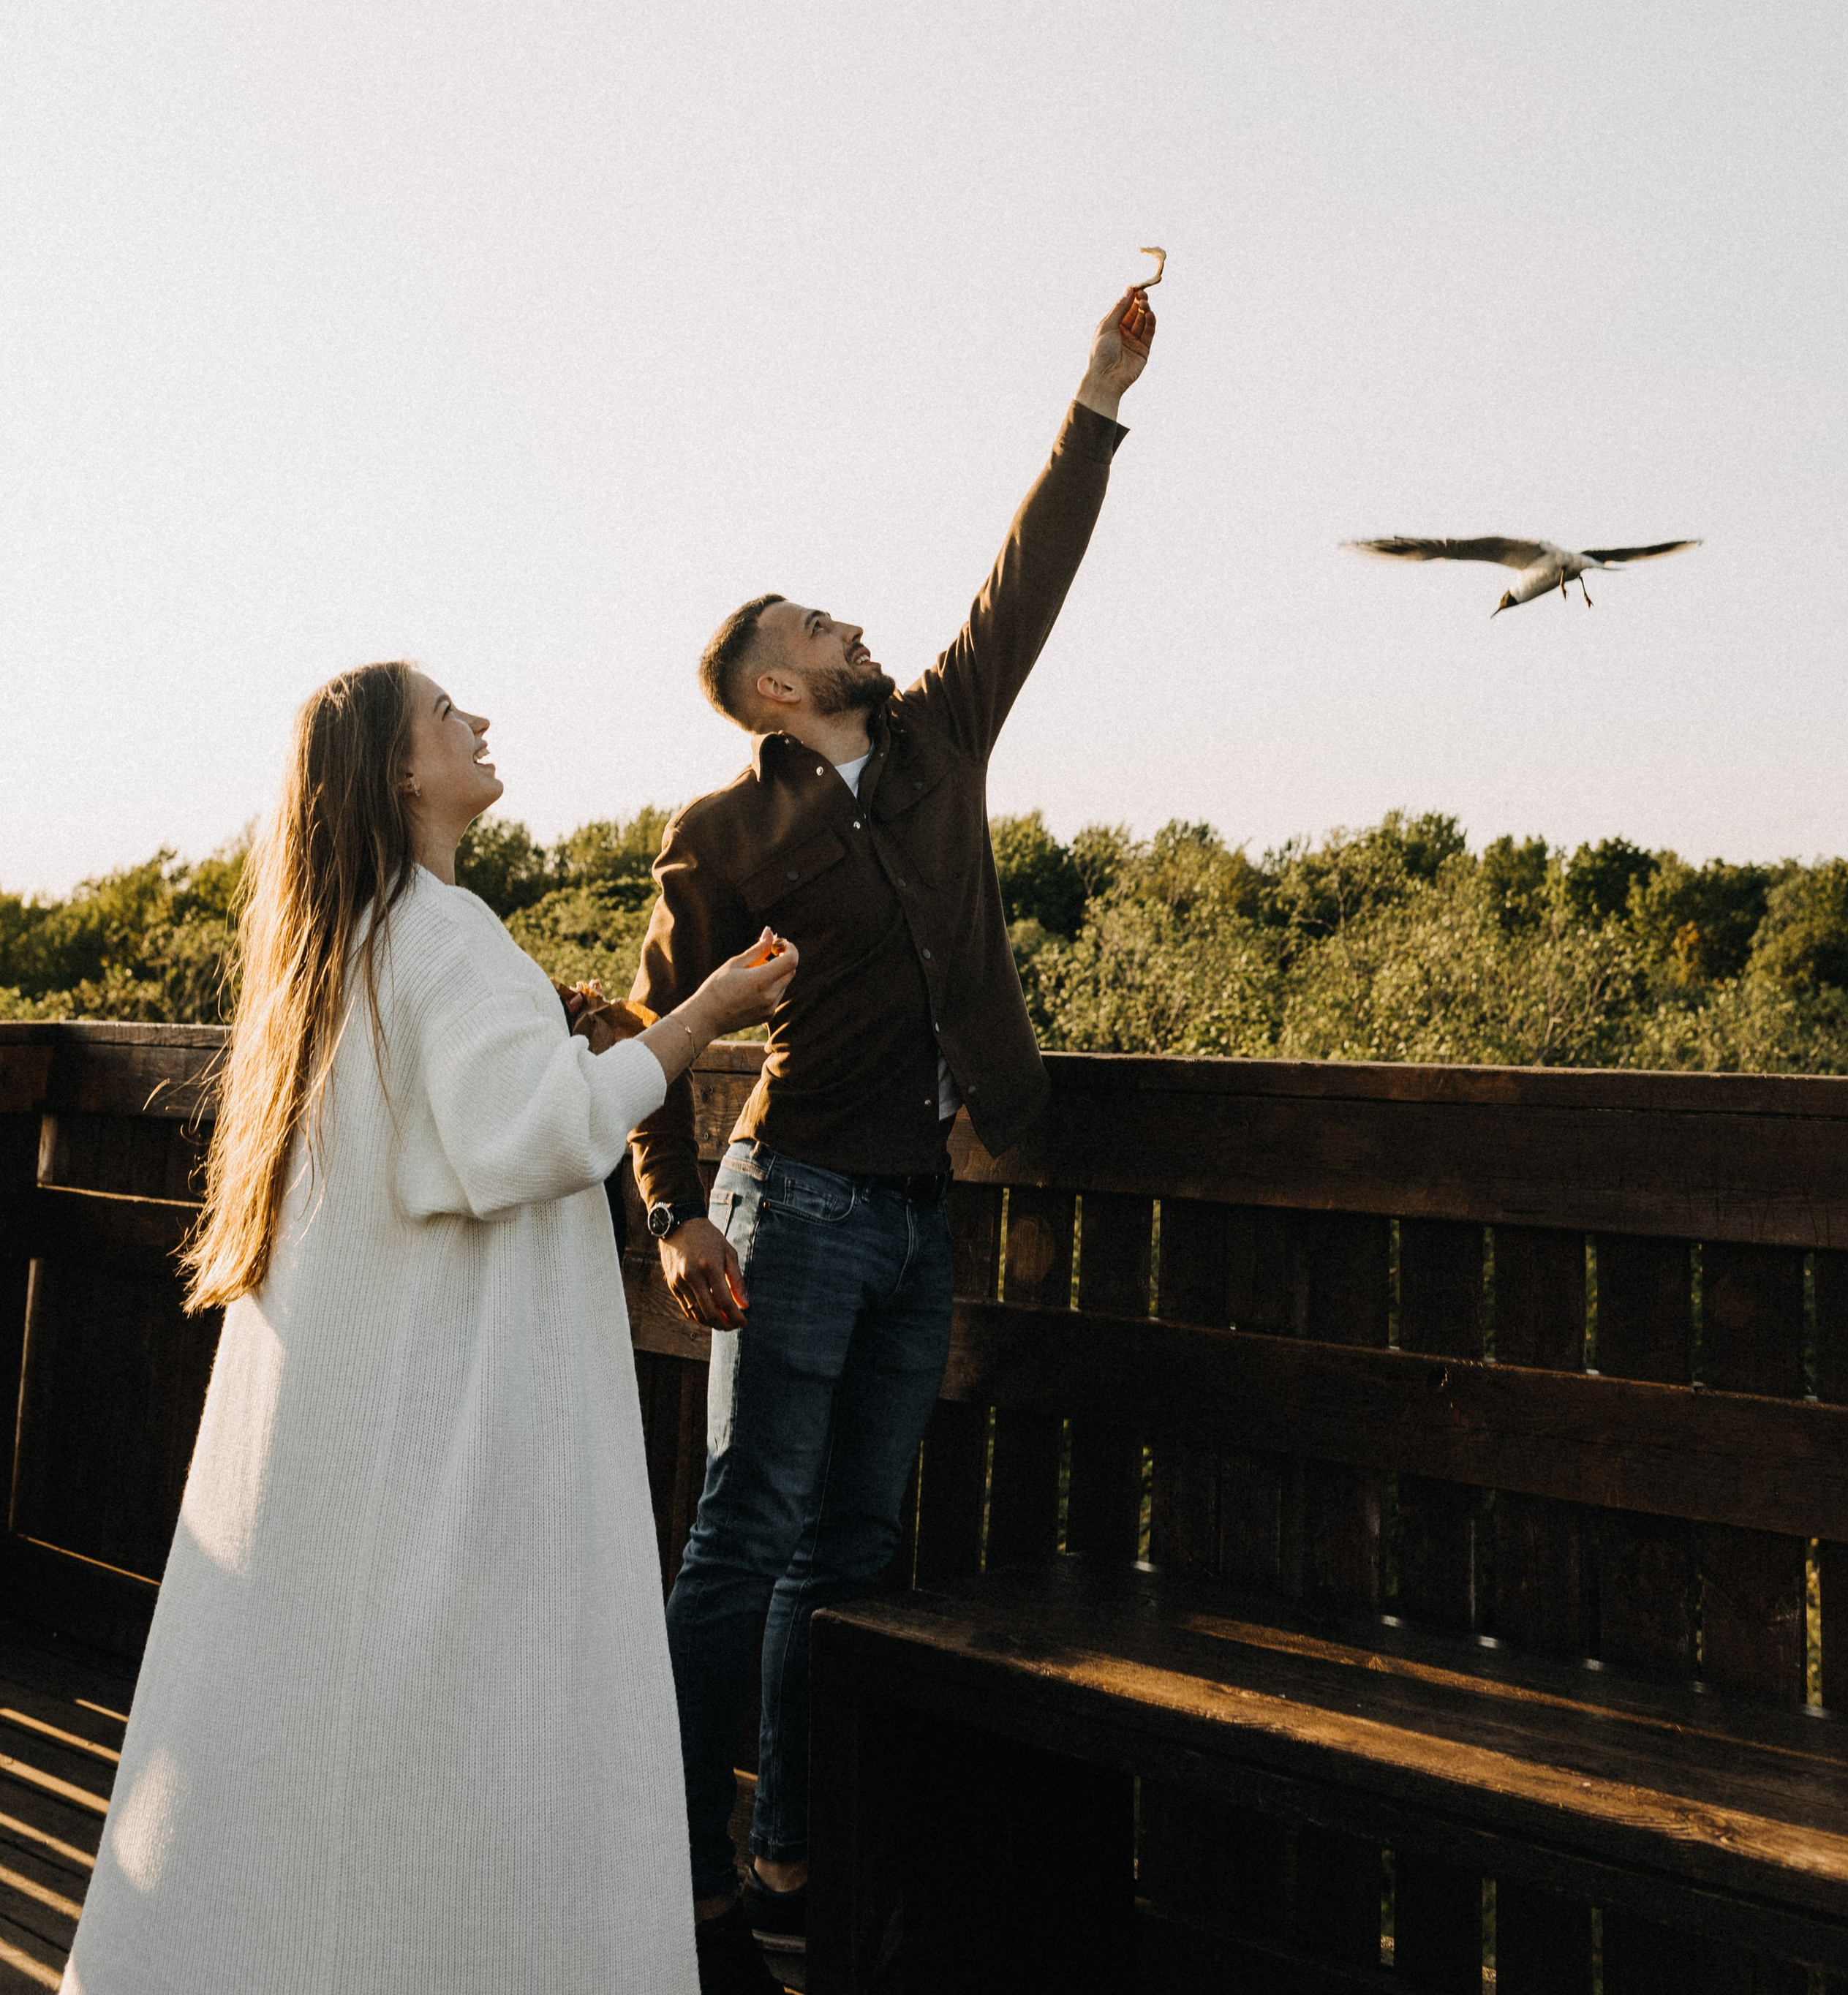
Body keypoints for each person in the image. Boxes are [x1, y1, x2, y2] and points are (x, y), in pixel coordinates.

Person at [64, 660, 794, 1995]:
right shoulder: (439, 932)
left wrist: (568, 1028)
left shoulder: (353, 939)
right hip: (471, 1412)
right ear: (404, 774)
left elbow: (457, 1126)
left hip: (394, 1410)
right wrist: (704, 1015)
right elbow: (533, 1133)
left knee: (370, 1729)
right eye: (453, 716)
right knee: (487, 1721)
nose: (483, 723)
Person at [627, 282, 1157, 1994]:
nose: (856, 625)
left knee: (850, 1545)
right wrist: (672, 1214)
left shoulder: (936, 738)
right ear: (777, 683)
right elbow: (658, 1031)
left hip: (923, 1207)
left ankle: (789, 1836)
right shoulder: (720, 830)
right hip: (794, 1205)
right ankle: (677, 1848)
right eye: (820, 621)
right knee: (742, 1533)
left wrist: (1093, 397)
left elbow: (1034, 574)